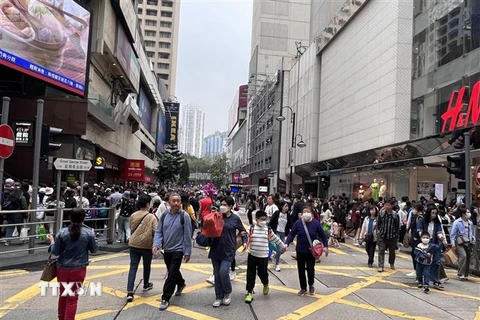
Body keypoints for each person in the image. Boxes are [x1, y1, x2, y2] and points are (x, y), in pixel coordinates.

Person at [46, 208, 98, 320]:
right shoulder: (89, 233)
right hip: (79, 269)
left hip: (62, 269)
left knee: (63, 295)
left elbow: (55, 251)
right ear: (83, 219)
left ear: (69, 218)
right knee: (73, 298)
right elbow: (94, 250)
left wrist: (52, 242)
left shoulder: (62, 232)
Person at [152, 194, 192, 311]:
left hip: (178, 250)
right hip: (167, 249)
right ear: (168, 203)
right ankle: (181, 283)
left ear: (181, 202)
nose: (176, 203)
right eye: (173, 201)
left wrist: (187, 251)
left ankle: (165, 298)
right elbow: (159, 231)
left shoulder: (184, 216)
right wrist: (156, 244)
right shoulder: (164, 215)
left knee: (172, 273)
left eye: (178, 201)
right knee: (172, 271)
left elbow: (187, 235)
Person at [208, 196, 247, 307]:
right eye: (221, 204)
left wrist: (244, 241)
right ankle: (218, 297)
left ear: (230, 206)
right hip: (216, 249)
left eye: (225, 205)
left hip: (228, 250)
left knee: (224, 272)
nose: (222, 207)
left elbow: (243, 231)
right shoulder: (217, 216)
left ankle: (227, 292)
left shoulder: (235, 218)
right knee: (217, 274)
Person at [286, 205, 329, 296]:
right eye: (304, 211)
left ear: (312, 213)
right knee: (301, 270)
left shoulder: (316, 223)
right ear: (301, 214)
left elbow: (323, 235)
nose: (306, 213)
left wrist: (325, 246)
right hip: (300, 251)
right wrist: (286, 243)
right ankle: (303, 288)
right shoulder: (298, 223)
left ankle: (311, 284)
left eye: (308, 211)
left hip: (311, 251)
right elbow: (291, 234)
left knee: (310, 269)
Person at [244, 210, 286, 303]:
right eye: (262, 219)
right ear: (257, 219)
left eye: (265, 219)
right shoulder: (251, 228)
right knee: (250, 274)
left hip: (263, 256)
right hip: (252, 255)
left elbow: (276, 239)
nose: (264, 221)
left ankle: (265, 283)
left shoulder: (268, 230)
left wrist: (283, 246)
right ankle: (249, 292)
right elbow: (245, 236)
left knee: (262, 273)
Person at [126, 194, 158, 302]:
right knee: (147, 265)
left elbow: (131, 227)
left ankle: (130, 291)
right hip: (146, 245)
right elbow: (155, 231)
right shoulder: (151, 217)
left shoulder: (134, 215)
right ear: (148, 204)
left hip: (134, 244)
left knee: (133, 267)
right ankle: (146, 284)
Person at [450, 207, 474, 281]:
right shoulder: (457, 222)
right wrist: (453, 244)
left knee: (468, 257)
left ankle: (465, 274)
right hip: (459, 242)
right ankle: (461, 273)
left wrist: (473, 238)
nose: (469, 214)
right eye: (467, 212)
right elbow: (452, 234)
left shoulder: (470, 223)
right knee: (463, 256)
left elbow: (471, 232)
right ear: (463, 214)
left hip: (468, 242)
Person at [376, 200, 400, 272]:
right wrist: (379, 231)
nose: (386, 206)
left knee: (392, 251)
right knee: (381, 250)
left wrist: (396, 234)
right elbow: (378, 223)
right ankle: (381, 266)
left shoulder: (395, 214)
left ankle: (391, 263)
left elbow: (397, 225)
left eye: (388, 205)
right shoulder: (381, 213)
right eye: (385, 205)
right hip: (382, 235)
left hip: (392, 236)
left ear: (391, 206)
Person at [269, 201, 290, 271]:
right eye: (285, 206)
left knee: (284, 249)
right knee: (279, 248)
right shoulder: (277, 213)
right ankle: (277, 264)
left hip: (283, 233)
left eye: (287, 206)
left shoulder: (288, 215)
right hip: (277, 232)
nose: (287, 208)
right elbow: (271, 222)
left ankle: (274, 256)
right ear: (282, 207)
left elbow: (290, 224)